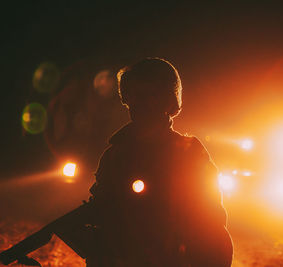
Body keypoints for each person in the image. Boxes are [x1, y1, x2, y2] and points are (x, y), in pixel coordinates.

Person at [87, 58, 233, 266]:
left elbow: (212, 227)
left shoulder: (188, 153)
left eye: (150, 95)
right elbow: (101, 221)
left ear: (168, 101)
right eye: (134, 95)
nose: (140, 103)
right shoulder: (114, 156)